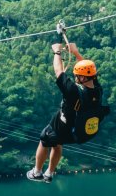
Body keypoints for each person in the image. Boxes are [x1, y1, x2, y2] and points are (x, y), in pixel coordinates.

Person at [27, 38, 109, 182]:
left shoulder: (72, 90)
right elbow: (88, 70)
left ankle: (37, 172)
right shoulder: (97, 89)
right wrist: (76, 53)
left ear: (82, 77)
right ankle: (49, 173)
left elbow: (58, 71)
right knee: (58, 143)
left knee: (44, 139)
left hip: (64, 125)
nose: (75, 77)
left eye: (77, 75)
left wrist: (57, 52)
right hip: (78, 132)